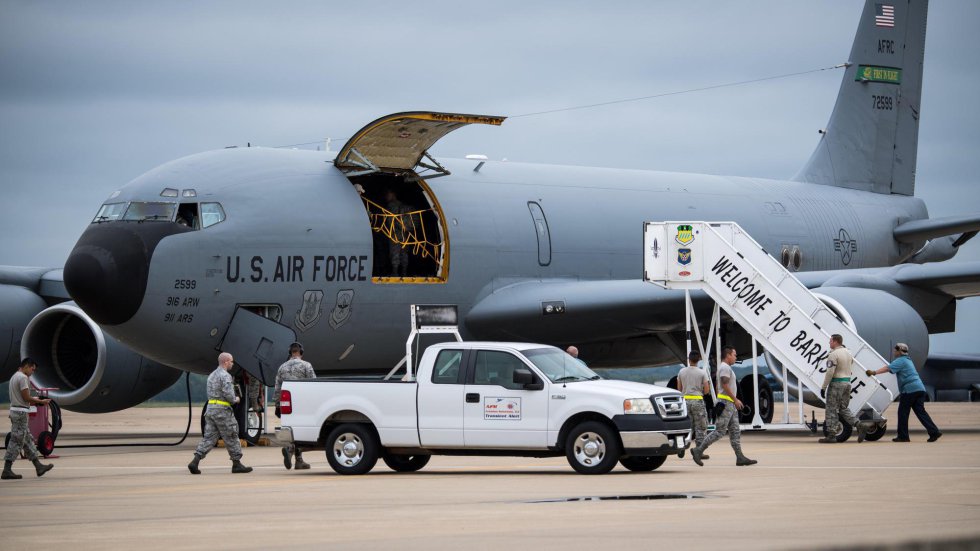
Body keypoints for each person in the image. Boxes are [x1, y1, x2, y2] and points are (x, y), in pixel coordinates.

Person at [187, 352, 252, 474]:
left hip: (211, 409)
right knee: (232, 435)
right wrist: (236, 399)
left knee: (209, 437)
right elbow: (229, 396)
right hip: (222, 410)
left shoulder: (211, 375)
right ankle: (237, 463)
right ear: (226, 362)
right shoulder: (225, 376)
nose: (232, 364)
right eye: (231, 361)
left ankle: (195, 461)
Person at [691, 346, 757, 466]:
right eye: (734, 355)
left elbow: (718, 386)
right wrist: (735, 399)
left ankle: (740, 457)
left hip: (729, 403)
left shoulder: (724, 368)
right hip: (727, 403)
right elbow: (725, 385)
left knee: (735, 431)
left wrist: (725, 400)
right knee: (720, 431)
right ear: (728, 356)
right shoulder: (725, 368)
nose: (735, 357)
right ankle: (698, 450)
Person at [867, 343, 942, 442]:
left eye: (895, 350)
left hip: (910, 390)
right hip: (920, 389)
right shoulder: (908, 360)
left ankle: (903, 436)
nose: (894, 352)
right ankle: (934, 432)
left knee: (903, 413)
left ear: (899, 351)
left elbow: (888, 368)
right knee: (921, 413)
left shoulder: (900, 361)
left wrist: (874, 372)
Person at [3, 358, 54, 480]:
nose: (32, 372)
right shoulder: (23, 378)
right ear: (26, 366)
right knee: (16, 441)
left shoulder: (14, 376)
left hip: (16, 411)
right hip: (20, 412)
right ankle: (7, 469)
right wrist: (40, 401)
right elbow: (26, 397)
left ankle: (38, 466)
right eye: (32, 369)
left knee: (27, 440)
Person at [819, 334, 869, 443]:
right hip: (847, 383)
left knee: (831, 408)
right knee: (842, 408)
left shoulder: (833, 355)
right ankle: (859, 424)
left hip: (836, 383)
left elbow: (830, 372)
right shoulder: (848, 352)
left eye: (830, 341)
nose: (829, 343)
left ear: (835, 341)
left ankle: (831, 435)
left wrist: (823, 387)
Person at [275, 342, 316, 470]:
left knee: (291, 429)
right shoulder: (306, 366)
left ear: (290, 353)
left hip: (286, 403)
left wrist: (277, 405)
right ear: (301, 352)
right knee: (301, 430)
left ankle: (299, 460)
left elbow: (277, 387)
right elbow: (313, 384)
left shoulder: (282, 367)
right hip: (302, 403)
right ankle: (290, 449)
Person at [675, 350, 711, 460]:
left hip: (685, 401)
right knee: (700, 427)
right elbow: (706, 390)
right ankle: (698, 451)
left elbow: (679, 389)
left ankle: (681, 448)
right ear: (698, 359)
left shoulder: (682, 372)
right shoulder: (702, 373)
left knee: (686, 427)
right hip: (698, 401)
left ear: (689, 359)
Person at [384, 189, 411, 277]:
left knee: (394, 253)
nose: (386, 197)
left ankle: (395, 273)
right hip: (405, 234)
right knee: (404, 253)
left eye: (388, 194)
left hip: (395, 234)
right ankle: (404, 273)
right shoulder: (403, 205)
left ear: (393, 194)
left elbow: (389, 221)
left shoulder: (391, 206)